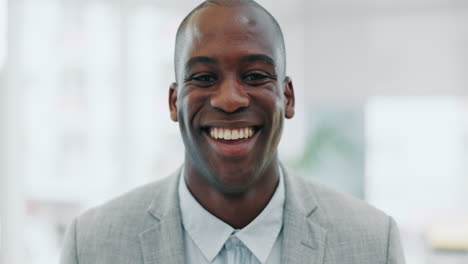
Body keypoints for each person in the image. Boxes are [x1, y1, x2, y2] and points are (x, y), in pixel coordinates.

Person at [60, 0, 406, 263]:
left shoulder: (373, 243)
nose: (229, 100)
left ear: (287, 98)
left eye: (255, 76)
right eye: (204, 78)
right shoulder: (91, 245)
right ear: (173, 101)